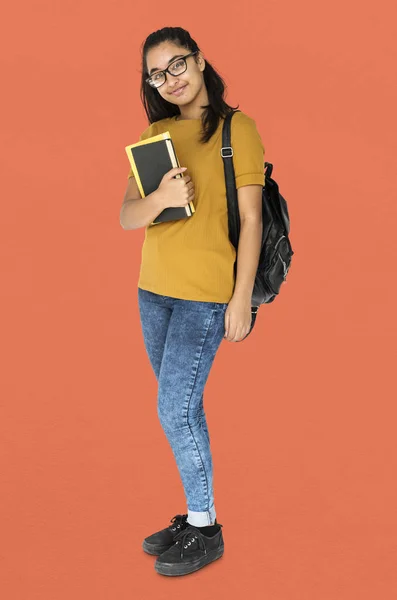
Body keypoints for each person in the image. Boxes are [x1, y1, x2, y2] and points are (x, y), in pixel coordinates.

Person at [120, 26, 264, 576]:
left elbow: (250, 221)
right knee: (185, 408)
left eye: (177, 65)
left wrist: (242, 299)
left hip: (205, 297)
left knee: (173, 409)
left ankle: (206, 528)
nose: (170, 80)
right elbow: (128, 216)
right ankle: (196, 513)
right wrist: (159, 197)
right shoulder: (154, 134)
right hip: (152, 291)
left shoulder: (236, 130)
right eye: (157, 73)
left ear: (200, 60)